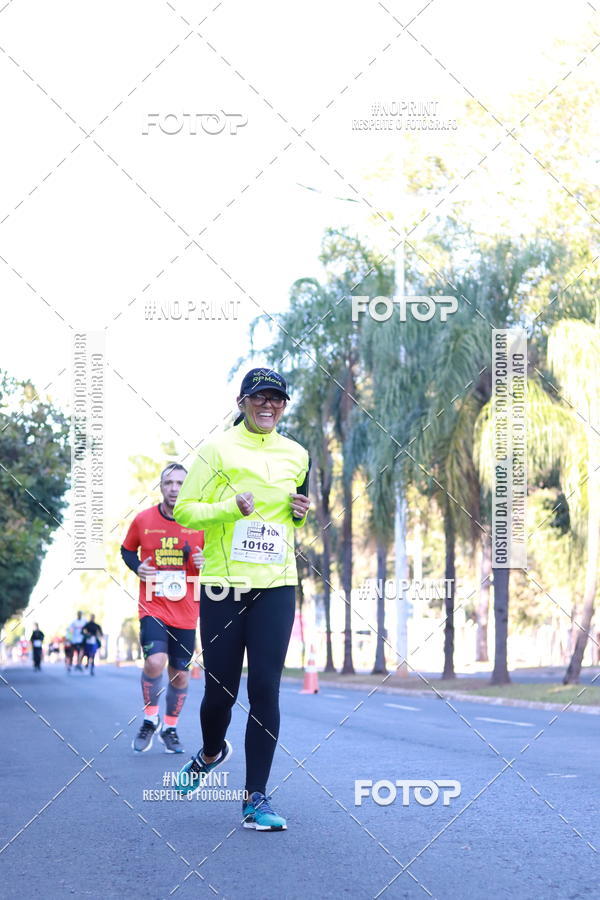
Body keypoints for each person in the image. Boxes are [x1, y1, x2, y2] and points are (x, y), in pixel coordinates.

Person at [173, 368, 310, 831]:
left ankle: (255, 798)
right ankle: (211, 752)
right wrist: (230, 508)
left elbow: (293, 513)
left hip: (277, 583)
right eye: (259, 397)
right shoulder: (216, 450)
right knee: (221, 692)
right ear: (242, 402)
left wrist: (299, 514)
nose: (268, 405)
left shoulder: (297, 454)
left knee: (265, 689)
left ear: (284, 406)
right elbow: (185, 510)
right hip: (223, 586)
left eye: (276, 398)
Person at [121, 463, 204, 754]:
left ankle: (170, 728)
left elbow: (217, 560)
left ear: (188, 487)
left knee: (180, 674)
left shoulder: (201, 522)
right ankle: (149, 719)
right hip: (153, 606)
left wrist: (205, 563)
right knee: (155, 662)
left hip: (186, 611)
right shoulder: (143, 519)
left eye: (180, 483)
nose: (174, 488)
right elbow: (127, 550)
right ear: (160, 486)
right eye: (169, 482)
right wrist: (137, 567)